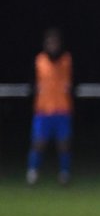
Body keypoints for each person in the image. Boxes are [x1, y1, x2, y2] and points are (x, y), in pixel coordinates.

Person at [27, 28, 73, 186]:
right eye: (50, 42)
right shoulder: (39, 60)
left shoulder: (66, 60)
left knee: (63, 143)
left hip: (62, 108)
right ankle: (32, 172)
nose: (53, 45)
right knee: (38, 142)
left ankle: (64, 173)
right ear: (45, 44)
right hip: (43, 109)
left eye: (55, 42)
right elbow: (32, 83)